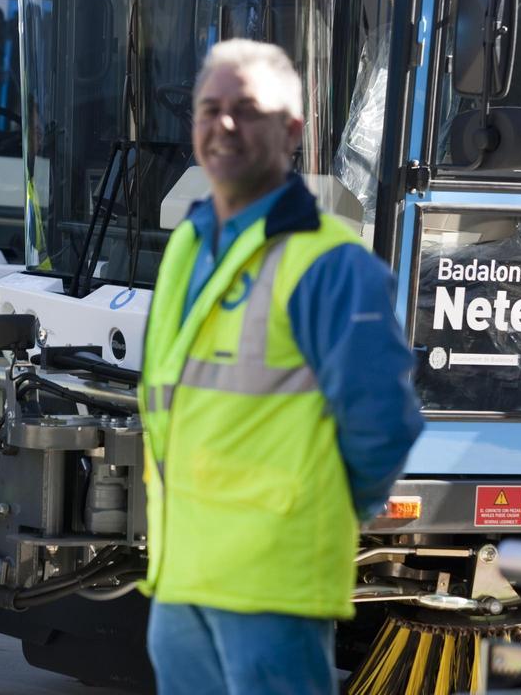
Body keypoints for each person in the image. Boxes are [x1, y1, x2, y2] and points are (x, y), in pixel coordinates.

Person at [138, 39, 423, 695]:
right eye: (210, 109)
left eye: (248, 109)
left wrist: (321, 513)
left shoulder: (332, 264)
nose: (225, 124)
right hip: (183, 574)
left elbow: (383, 424)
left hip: (273, 582)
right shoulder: (188, 242)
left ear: (292, 130)